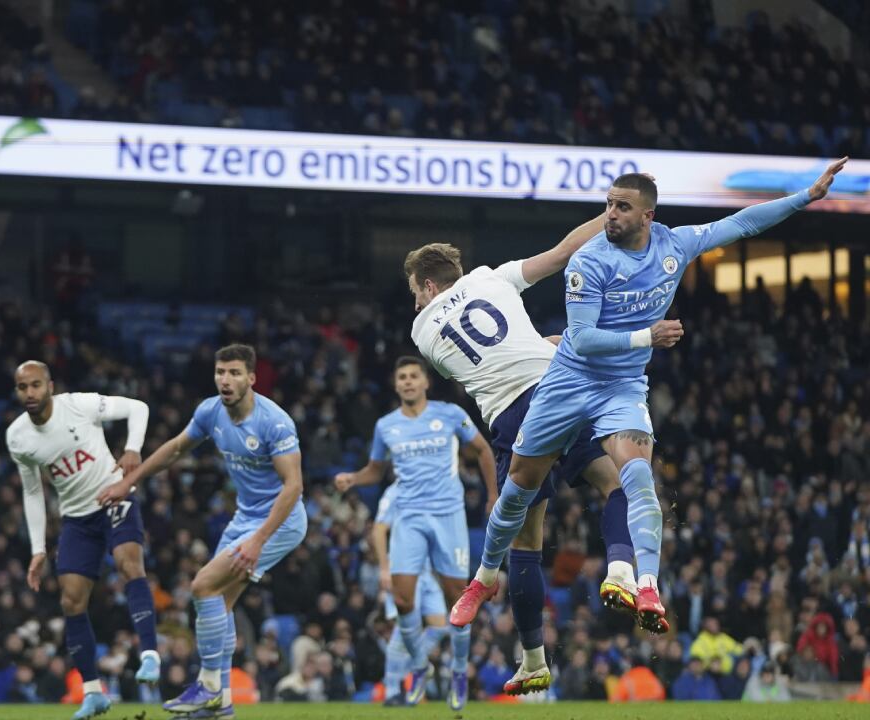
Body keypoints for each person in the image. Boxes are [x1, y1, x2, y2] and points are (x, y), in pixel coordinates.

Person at [451, 158, 849, 636]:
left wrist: (807, 195)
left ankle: (647, 586)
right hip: (568, 383)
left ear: (647, 217)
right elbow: (581, 340)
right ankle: (482, 578)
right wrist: (647, 337)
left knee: (637, 473)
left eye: (622, 207)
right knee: (518, 489)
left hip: (621, 388)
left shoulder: (673, 246)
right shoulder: (589, 260)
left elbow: (741, 223)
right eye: (608, 205)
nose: (610, 215)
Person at [403, 214, 638, 695]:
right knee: (615, 484)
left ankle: (533, 659)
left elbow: (488, 362)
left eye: (414, 291)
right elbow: (562, 252)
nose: (415, 301)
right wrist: (610, 214)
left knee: (525, 544)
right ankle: (621, 568)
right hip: (560, 387)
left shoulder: (422, 331)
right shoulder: (491, 276)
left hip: (513, 417)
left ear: (428, 286)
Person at [98, 344, 305, 719]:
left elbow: (293, 487)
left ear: (252, 379)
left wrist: (259, 541)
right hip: (245, 518)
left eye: (235, 373)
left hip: (281, 521)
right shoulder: (210, 411)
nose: (226, 380)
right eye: (221, 372)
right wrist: (130, 481)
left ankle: (209, 686)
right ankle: (221, 704)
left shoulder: (274, 422)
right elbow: (177, 448)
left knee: (202, 586)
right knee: (217, 606)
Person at [334, 356, 495, 709]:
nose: (407, 382)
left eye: (413, 376)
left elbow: (483, 449)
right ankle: (419, 666)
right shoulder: (386, 426)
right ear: (396, 385)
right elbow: (376, 471)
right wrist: (354, 478)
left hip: (448, 516)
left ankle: (457, 672)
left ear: (425, 382)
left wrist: (493, 495)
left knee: (459, 602)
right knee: (404, 600)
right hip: (409, 518)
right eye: (401, 377)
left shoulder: (450, 413)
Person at [6, 360, 159, 720]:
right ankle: (93, 693)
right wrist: (38, 549)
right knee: (71, 601)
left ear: (50, 386)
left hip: (114, 496)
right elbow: (32, 493)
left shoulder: (77, 404)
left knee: (127, 562)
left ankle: (150, 654)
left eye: (36, 385)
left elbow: (138, 407)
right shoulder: (17, 437)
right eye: (23, 387)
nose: (30, 393)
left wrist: (133, 449)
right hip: (76, 518)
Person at [369, 480, 450, 707]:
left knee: (440, 625)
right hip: (402, 570)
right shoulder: (394, 491)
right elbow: (378, 528)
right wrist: (384, 568)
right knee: (404, 629)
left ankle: (412, 668)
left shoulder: (431, 489)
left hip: (425, 572)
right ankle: (393, 690)